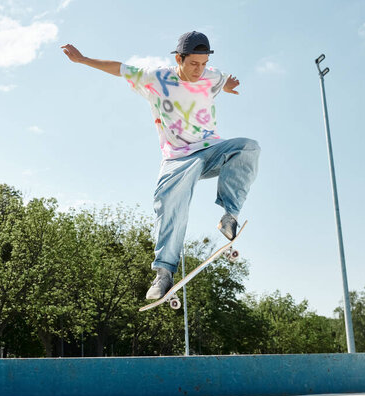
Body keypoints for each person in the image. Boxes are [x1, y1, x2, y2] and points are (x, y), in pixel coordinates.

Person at [61, 31, 260, 300]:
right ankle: (163, 274)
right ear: (179, 58)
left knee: (248, 147)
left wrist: (226, 86)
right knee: (168, 203)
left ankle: (229, 216)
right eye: (192, 64)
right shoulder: (156, 77)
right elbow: (119, 68)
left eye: (202, 64)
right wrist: (83, 60)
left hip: (211, 149)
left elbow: (220, 80)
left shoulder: (210, 75)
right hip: (177, 157)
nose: (198, 70)